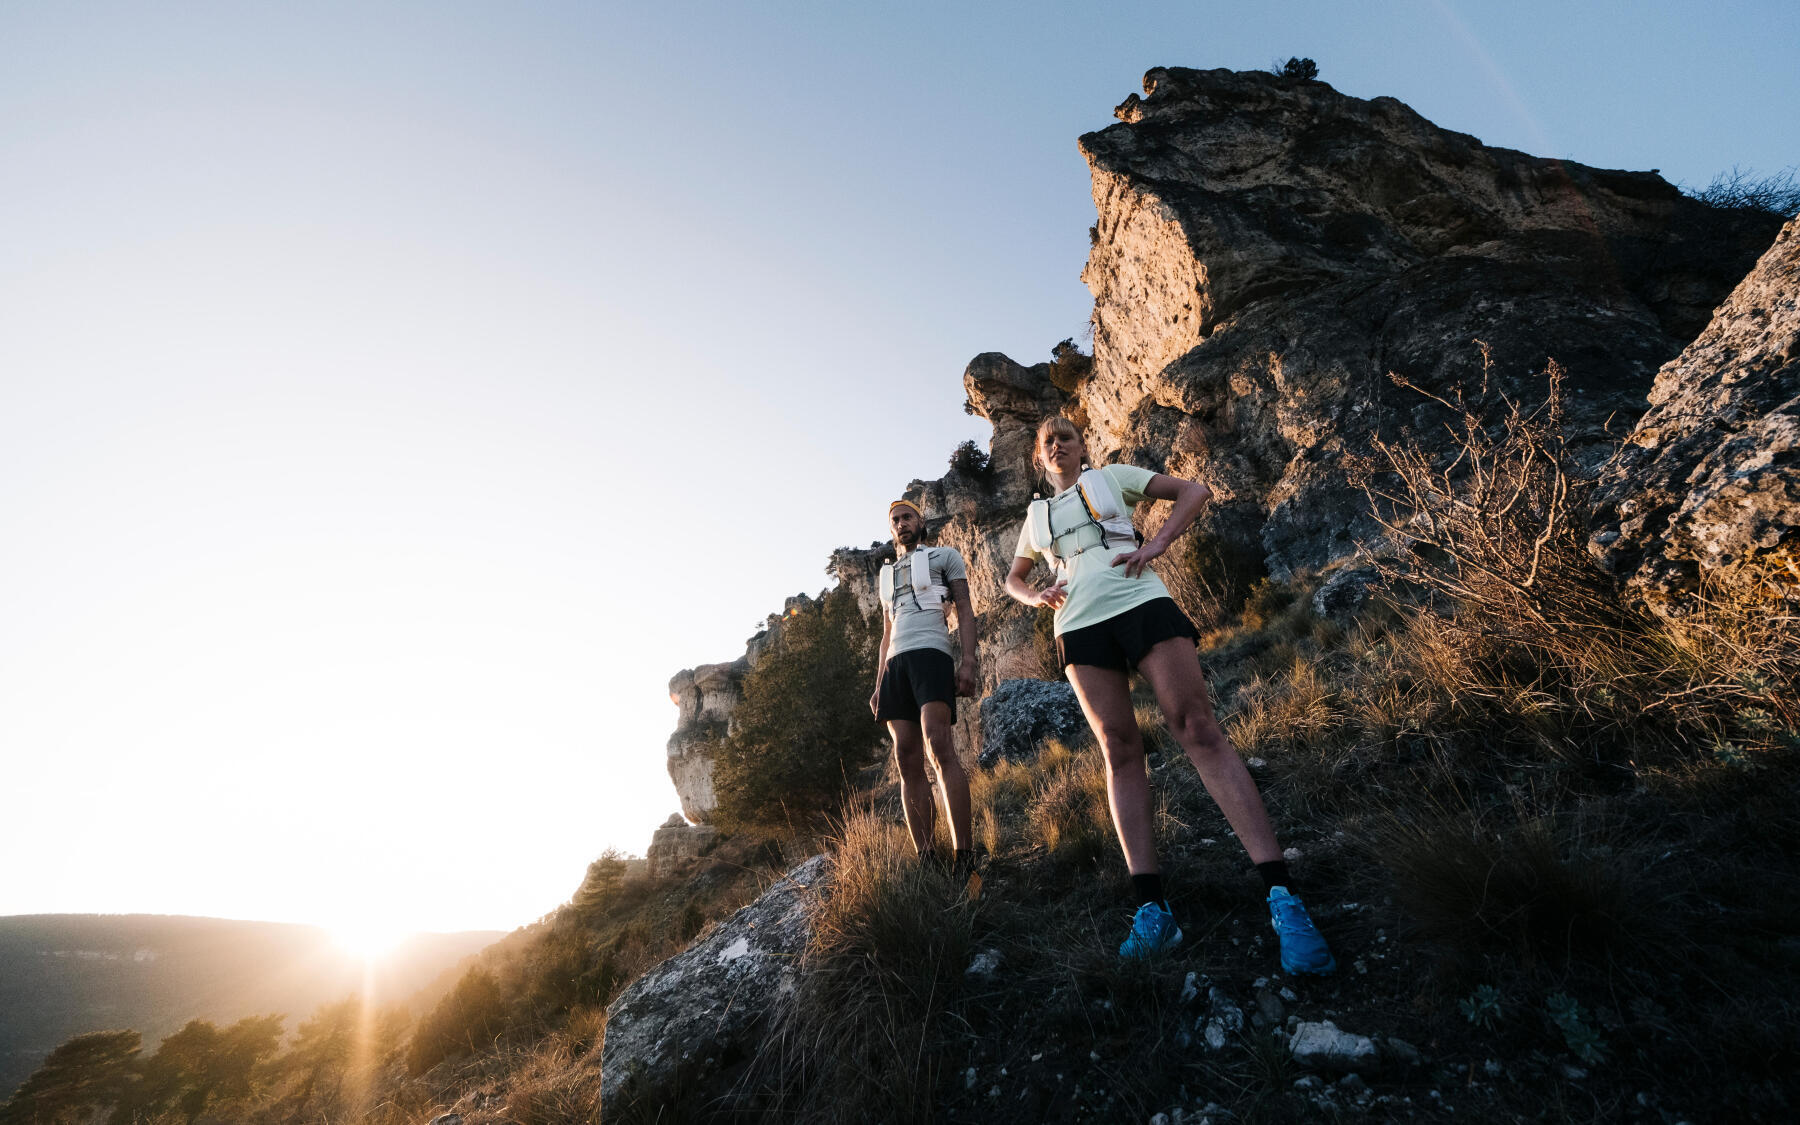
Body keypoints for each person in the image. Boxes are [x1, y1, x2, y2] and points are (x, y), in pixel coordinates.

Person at [1001, 416, 1334, 972]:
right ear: (1040, 458)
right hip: (1077, 626)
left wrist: (1156, 542)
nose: (1058, 445)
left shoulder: (1114, 477)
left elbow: (1193, 491)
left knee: (1197, 728)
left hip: (1141, 601)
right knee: (1118, 749)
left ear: (1083, 447)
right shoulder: (1035, 517)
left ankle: (1284, 898)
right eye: (1048, 442)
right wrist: (1033, 596)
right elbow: (1012, 577)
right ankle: (1153, 911)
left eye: (1068, 437)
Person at [870, 499, 980, 876]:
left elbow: (964, 608)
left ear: (921, 522)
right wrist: (879, 681)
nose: (901, 524)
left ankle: (964, 855)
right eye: (895, 521)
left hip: (931, 653)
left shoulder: (945, 556)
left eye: (907, 517)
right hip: (896, 665)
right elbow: (886, 633)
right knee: (905, 757)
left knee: (939, 747)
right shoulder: (885, 576)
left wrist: (968, 660)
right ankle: (928, 860)